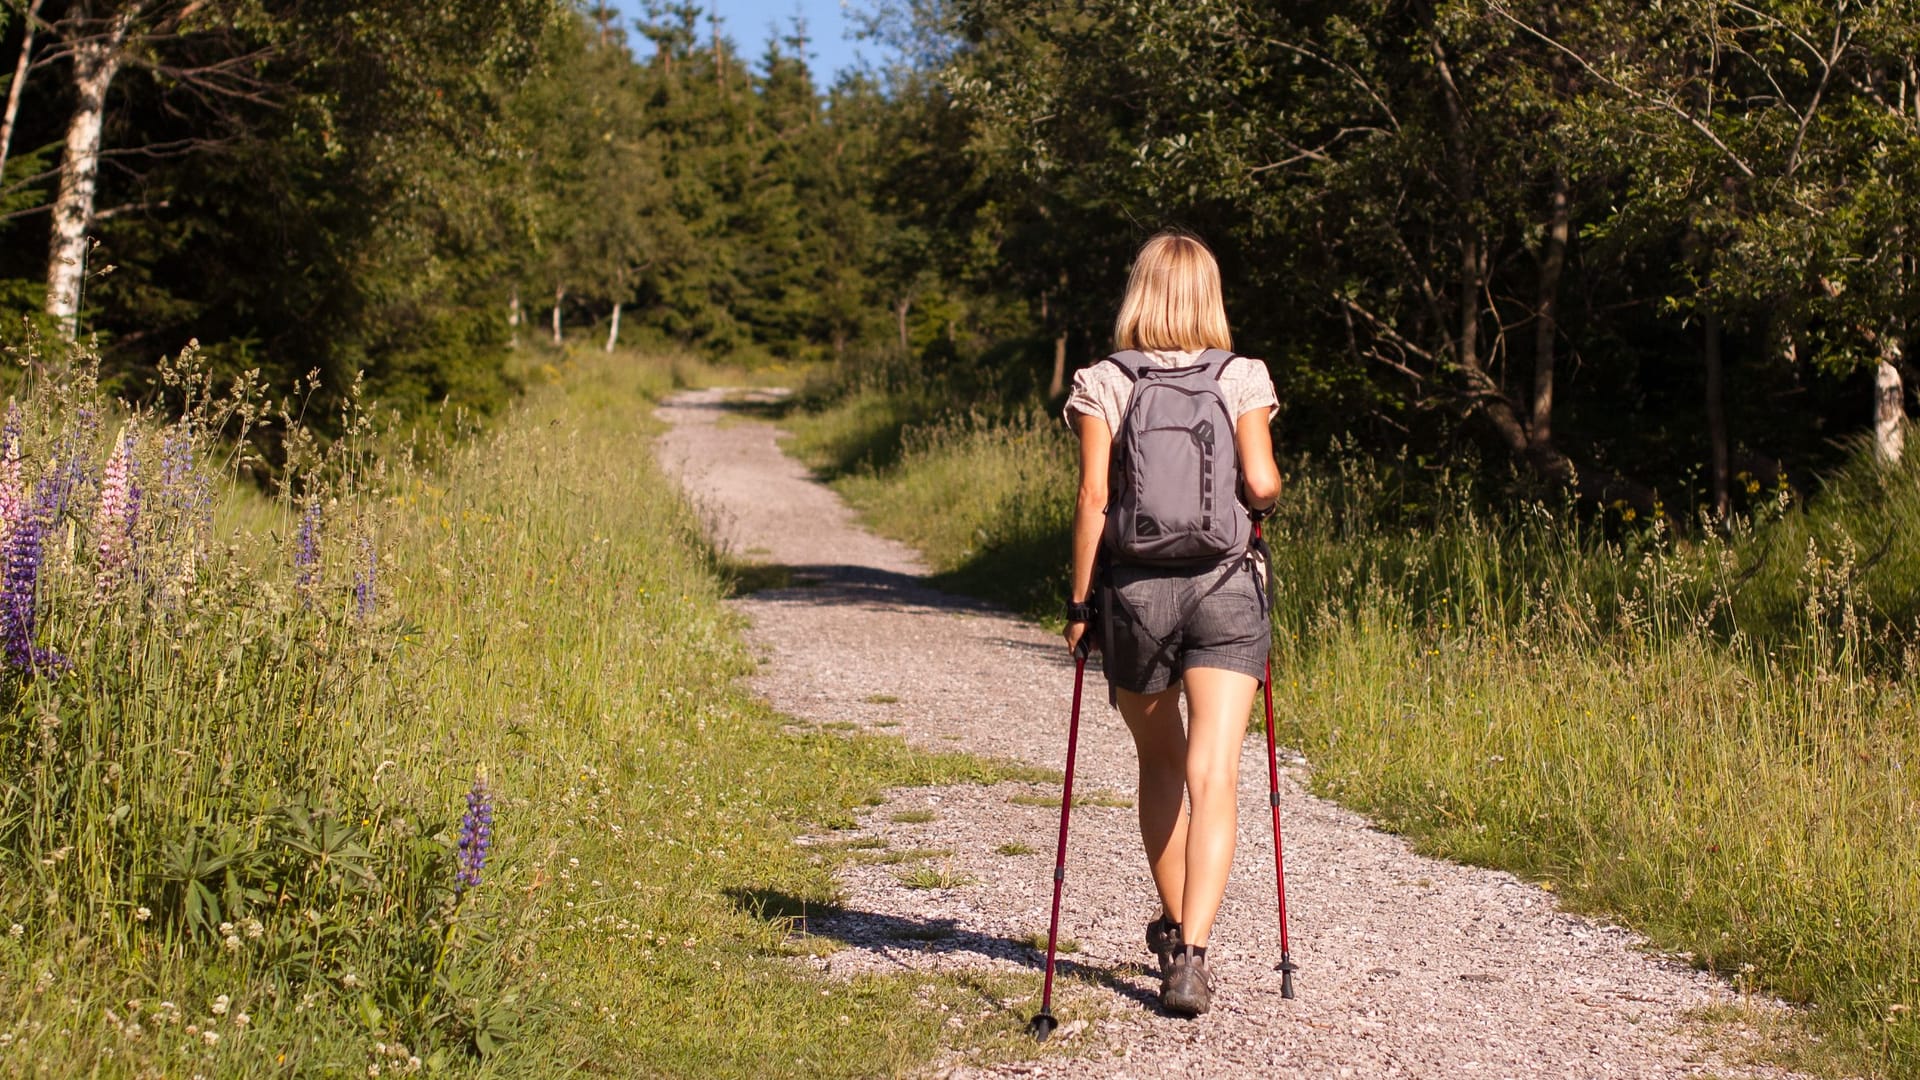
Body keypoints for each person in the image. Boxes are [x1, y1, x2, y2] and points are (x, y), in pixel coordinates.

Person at [1061, 231, 1280, 1017]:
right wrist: (1262, 498)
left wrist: (1080, 606)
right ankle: (1191, 954)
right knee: (1213, 775)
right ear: (1210, 296)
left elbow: (1093, 501)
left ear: (1140, 293)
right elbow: (1261, 482)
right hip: (1226, 587)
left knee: (1162, 765)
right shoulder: (1241, 376)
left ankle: (1176, 920)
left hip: (1135, 597)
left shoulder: (1104, 381)